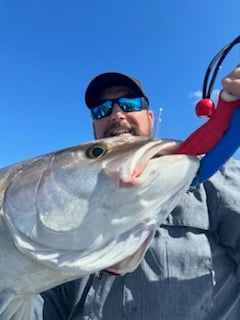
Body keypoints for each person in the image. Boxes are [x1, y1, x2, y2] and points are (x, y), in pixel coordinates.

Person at [41, 65, 240, 319]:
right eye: (102, 110)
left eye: (129, 104)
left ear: (150, 117)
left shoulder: (214, 180)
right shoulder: (63, 204)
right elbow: (44, 300)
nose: (116, 115)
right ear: (94, 126)